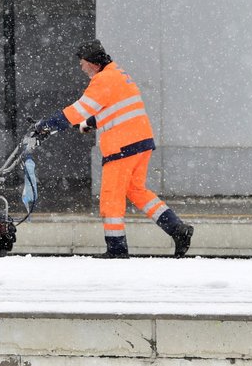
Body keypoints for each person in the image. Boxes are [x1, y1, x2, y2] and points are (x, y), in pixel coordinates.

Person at [30, 39, 193, 258]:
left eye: (82, 64)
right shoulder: (118, 74)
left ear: (93, 64)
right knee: (137, 191)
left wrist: (45, 126)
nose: (81, 68)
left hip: (122, 146)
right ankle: (177, 228)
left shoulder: (101, 81)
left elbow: (76, 111)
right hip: (141, 142)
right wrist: (88, 124)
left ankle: (116, 249)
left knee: (111, 197)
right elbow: (113, 109)